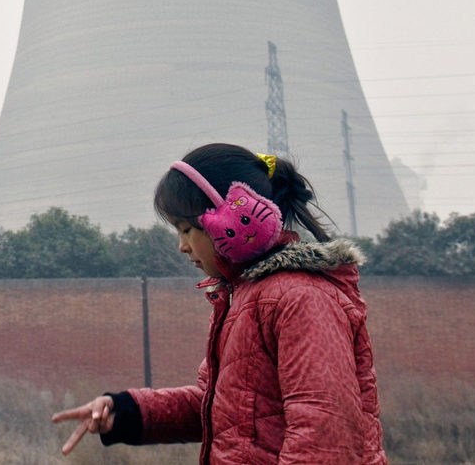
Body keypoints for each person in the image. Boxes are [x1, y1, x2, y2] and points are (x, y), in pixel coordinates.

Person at [53, 142, 387, 464]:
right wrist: (127, 410)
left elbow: (325, 437)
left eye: (186, 229)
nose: (182, 246)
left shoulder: (300, 299)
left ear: (232, 222)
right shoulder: (244, 298)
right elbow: (227, 409)